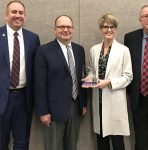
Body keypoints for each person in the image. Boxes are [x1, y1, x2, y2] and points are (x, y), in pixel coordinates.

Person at [34, 15, 87, 150]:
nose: (65, 29)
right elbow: (39, 84)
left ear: (73, 29)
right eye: (61, 27)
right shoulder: (44, 51)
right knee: (54, 147)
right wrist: (43, 111)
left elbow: (83, 76)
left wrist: (84, 103)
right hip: (53, 110)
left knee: (72, 146)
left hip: (76, 107)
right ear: (55, 30)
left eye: (68, 27)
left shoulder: (79, 50)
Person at [82, 13, 133, 150]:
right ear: (101, 29)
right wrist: (89, 78)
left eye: (112, 27)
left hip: (114, 101)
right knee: (101, 142)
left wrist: (109, 81)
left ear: (115, 29)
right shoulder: (94, 49)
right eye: (105, 27)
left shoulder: (123, 50)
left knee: (117, 142)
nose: (109, 30)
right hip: (98, 102)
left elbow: (128, 76)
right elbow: (92, 71)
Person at [0, 0, 40, 149]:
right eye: (14, 12)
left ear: (25, 16)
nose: (18, 15)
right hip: (2, 98)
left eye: (21, 12)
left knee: (22, 142)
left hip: (24, 99)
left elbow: (36, 71)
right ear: (6, 15)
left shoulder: (33, 38)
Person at [124, 4, 148, 150]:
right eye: (146, 16)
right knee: (141, 140)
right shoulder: (130, 38)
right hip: (138, 97)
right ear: (140, 19)